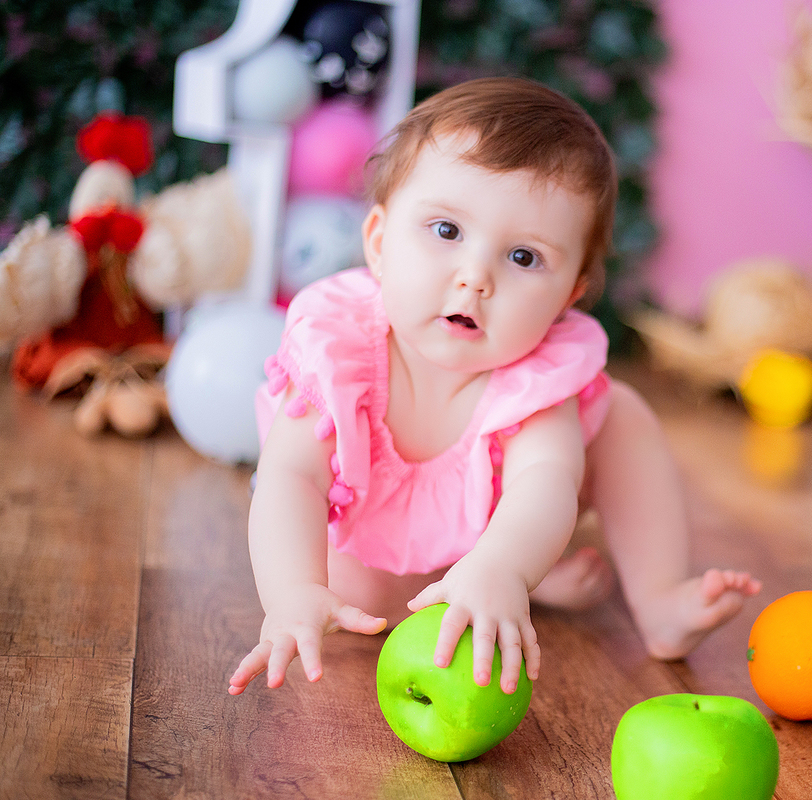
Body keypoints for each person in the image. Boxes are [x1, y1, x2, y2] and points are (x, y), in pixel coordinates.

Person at [228, 77, 761, 698]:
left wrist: (502, 566)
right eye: (447, 231)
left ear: (572, 293)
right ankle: (512, 578)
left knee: (623, 415)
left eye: (524, 258)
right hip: (364, 553)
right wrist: (294, 593)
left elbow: (546, 483)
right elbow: (291, 475)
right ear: (378, 243)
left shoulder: (535, 381)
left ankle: (656, 601)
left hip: (495, 533)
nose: (475, 277)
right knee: (365, 598)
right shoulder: (338, 352)